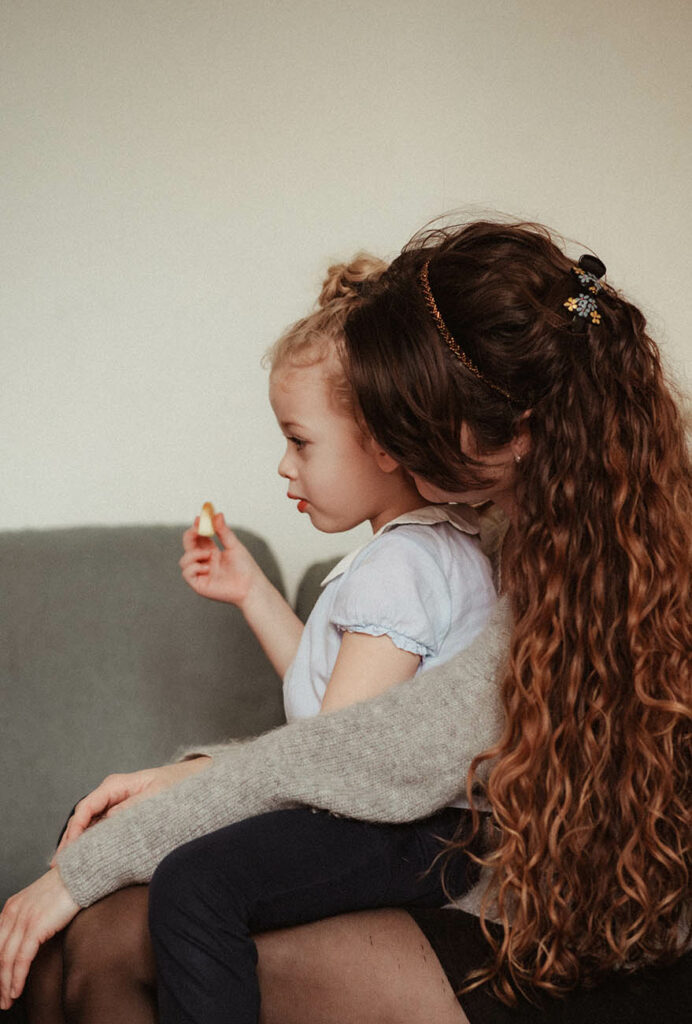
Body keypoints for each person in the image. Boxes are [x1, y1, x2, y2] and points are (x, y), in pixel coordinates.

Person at [4, 218, 690, 1024]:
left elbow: (376, 751)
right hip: (509, 887)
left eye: (406, 420)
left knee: (119, 924)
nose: (390, 445)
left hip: (591, 947)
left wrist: (89, 864)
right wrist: (175, 784)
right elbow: (372, 739)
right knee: (84, 938)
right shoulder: (511, 527)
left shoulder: (575, 568)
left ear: (512, 432)